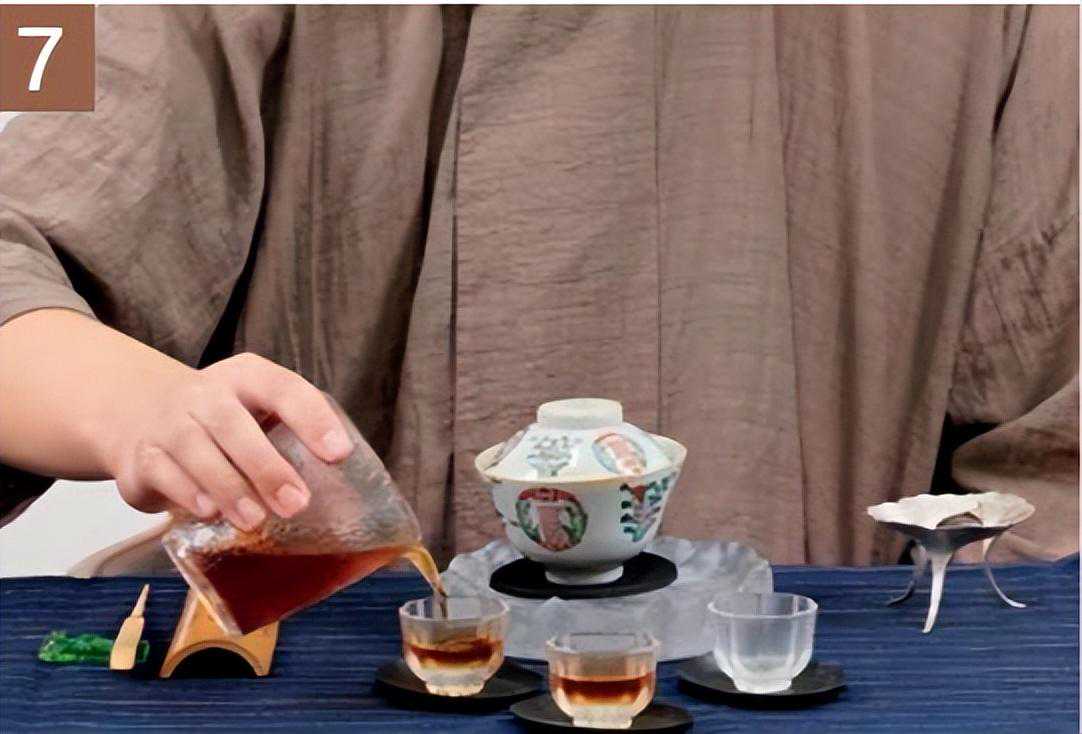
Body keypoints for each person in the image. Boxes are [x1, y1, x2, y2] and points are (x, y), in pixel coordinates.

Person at [0, 6, 1077, 565]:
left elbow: (1055, 471)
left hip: (792, 666)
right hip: (335, 654)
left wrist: (918, 665)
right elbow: (19, 222)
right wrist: (137, 404)